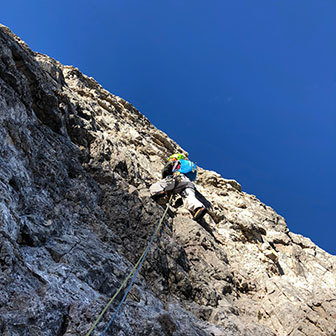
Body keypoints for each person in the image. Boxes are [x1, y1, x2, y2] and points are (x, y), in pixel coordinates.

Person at [150, 153, 207, 221]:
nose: (171, 159)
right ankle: (198, 208)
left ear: (175, 158)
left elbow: (166, 169)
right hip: (188, 183)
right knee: (189, 196)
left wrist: (165, 178)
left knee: (158, 185)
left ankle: (158, 193)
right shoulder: (190, 165)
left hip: (177, 177)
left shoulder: (177, 162)